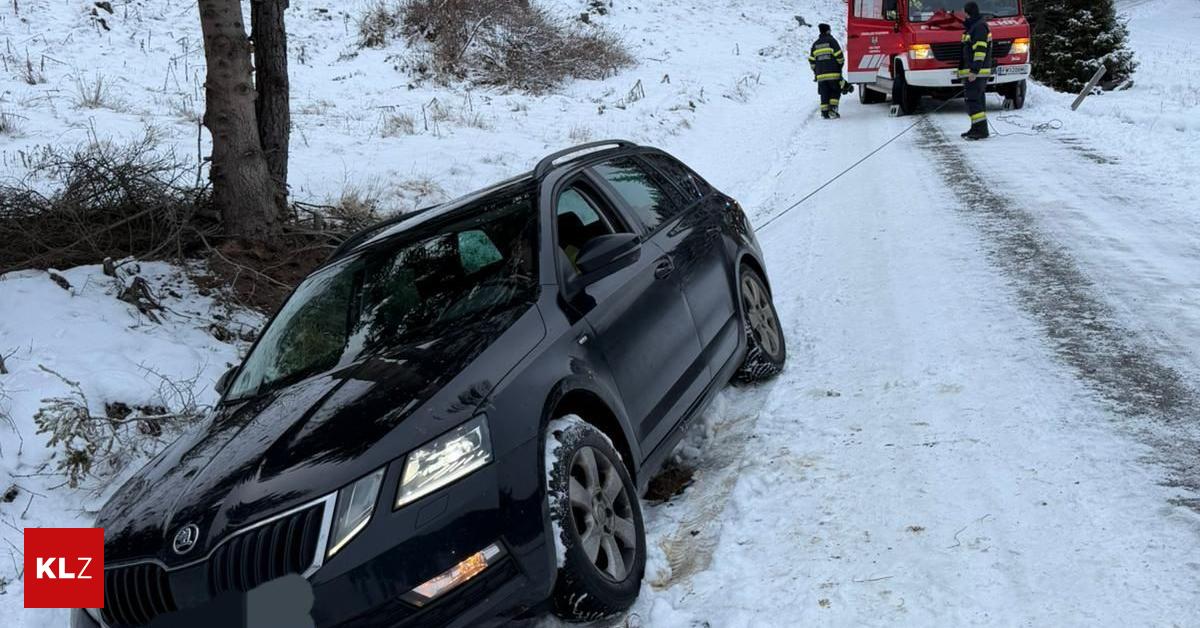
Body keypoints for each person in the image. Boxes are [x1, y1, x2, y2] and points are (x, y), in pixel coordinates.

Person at [959, 2, 993, 140]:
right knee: (975, 100)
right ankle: (976, 128)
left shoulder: (978, 27)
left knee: (973, 100)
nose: (963, 15)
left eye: (964, 12)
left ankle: (981, 131)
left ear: (968, 12)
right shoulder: (973, 26)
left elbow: (980, 52)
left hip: (977, 72)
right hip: (974, 71)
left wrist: (974, 71)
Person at [809, 24, 846, 119]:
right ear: (828, 31)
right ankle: (833, 110)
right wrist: (840, 65)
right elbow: (839, 56)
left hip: (820, 75)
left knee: (824, 93)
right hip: (833, 73)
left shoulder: (815, 44)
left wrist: (816, 71)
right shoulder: (832, 41)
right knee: (835, 91)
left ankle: (824, 112)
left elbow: (812, 60)